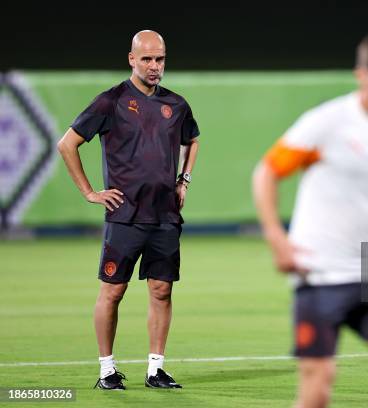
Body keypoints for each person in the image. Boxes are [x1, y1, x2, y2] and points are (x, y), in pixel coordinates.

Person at [252, 31, 368, 407]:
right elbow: (267, 172)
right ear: (362, 74)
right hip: (319, 277)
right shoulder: (327, 122)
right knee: (317, 392)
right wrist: (276, 237)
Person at [56, 30, 200, 390]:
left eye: (160, 59)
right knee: (113, 292)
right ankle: (107, 370)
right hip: (126, 215)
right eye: (148, 59)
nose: (155, 66)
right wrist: (89, 192)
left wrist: (183, 180)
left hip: (165, 216)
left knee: (161, 291)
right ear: (132, 59)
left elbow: (192, 139)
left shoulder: (177, 104)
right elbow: (67, 144)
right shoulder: (111, 101)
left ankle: (156, 369)